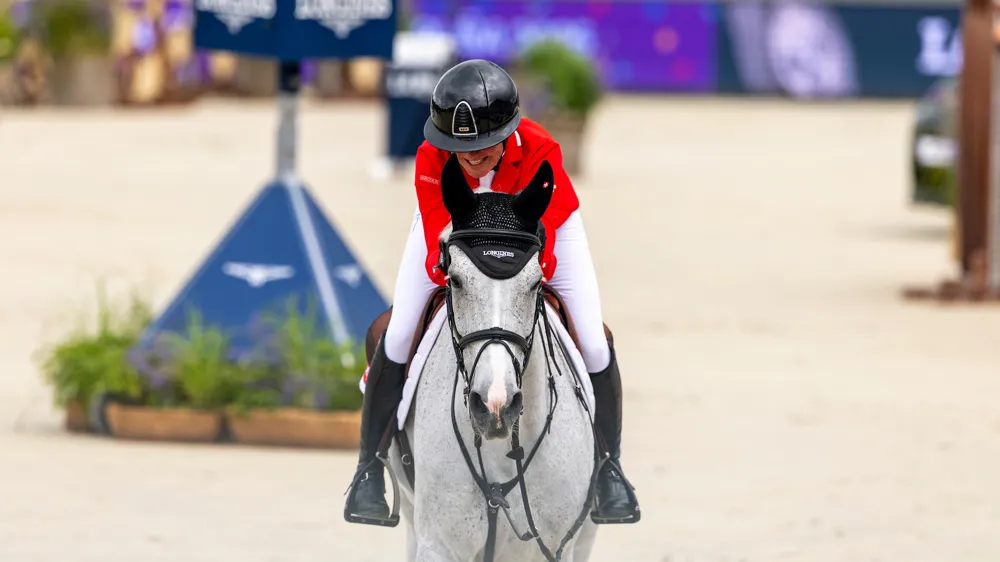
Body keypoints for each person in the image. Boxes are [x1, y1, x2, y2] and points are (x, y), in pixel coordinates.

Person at [345, 59, 639, 525]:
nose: (471, 157)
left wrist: (515, 279)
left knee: (594, 341)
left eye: (482, 148)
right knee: (398, 333)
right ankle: (367, 470)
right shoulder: (430, 158)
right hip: (455, 241)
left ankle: (610, 468)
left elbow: (545, 248)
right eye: (459, 149)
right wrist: (467, 280)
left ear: (506, 133)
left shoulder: (542, 151)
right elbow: (438, 245)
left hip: (542, 238)